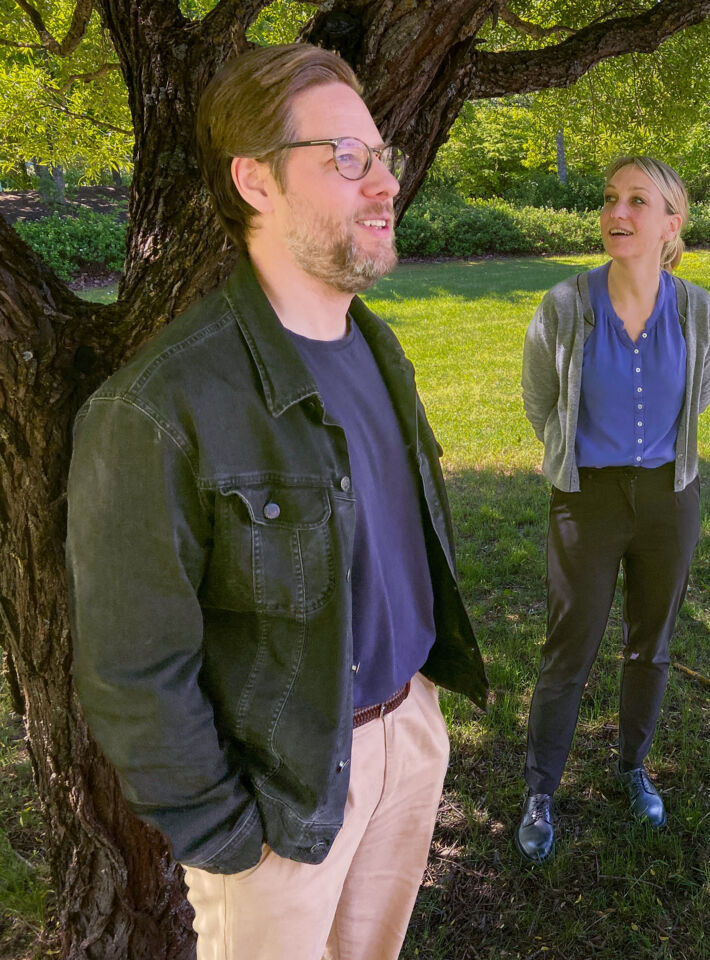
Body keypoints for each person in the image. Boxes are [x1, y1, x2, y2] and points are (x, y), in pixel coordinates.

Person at [66, 44, 486, 959]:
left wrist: (420, 724)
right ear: (255, 180)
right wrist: (226, 836)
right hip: (278, 802)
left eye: (383, 159)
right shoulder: (158, 407)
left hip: (408, 738)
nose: (383, 186)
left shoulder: (379, 352)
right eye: (346, 158)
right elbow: (133, 666)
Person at [515, 156, 710, 862]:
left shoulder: (696, 310)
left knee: (650, 644)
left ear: (672, 222)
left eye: (638, 201)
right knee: (568, 649)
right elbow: (542, 401)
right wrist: (577, 464)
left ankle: (633, 767)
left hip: (670, 496)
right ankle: (541, 788)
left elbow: (699, 398)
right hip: (587, 498)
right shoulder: (565, 306)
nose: (617, 214)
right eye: (609, 200)